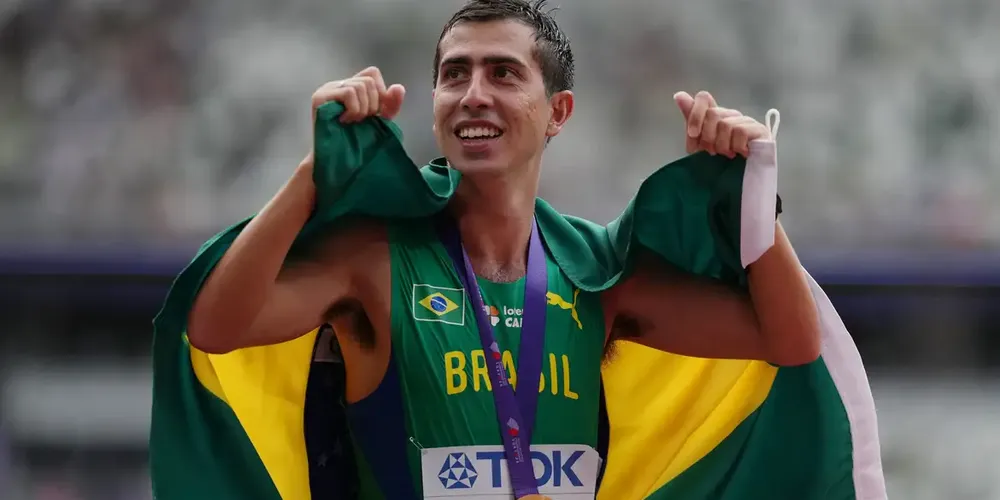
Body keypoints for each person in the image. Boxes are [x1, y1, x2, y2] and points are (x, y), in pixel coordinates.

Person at [186, 0, 820, 498]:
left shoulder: (596, 272)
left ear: (557, 112)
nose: (473, 94)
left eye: (504, 73)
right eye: (454, 74)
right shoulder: (373, 260)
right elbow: (216, 327)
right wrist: (311, 177)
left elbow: (790, 340)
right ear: (434, 103)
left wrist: (753, 197)